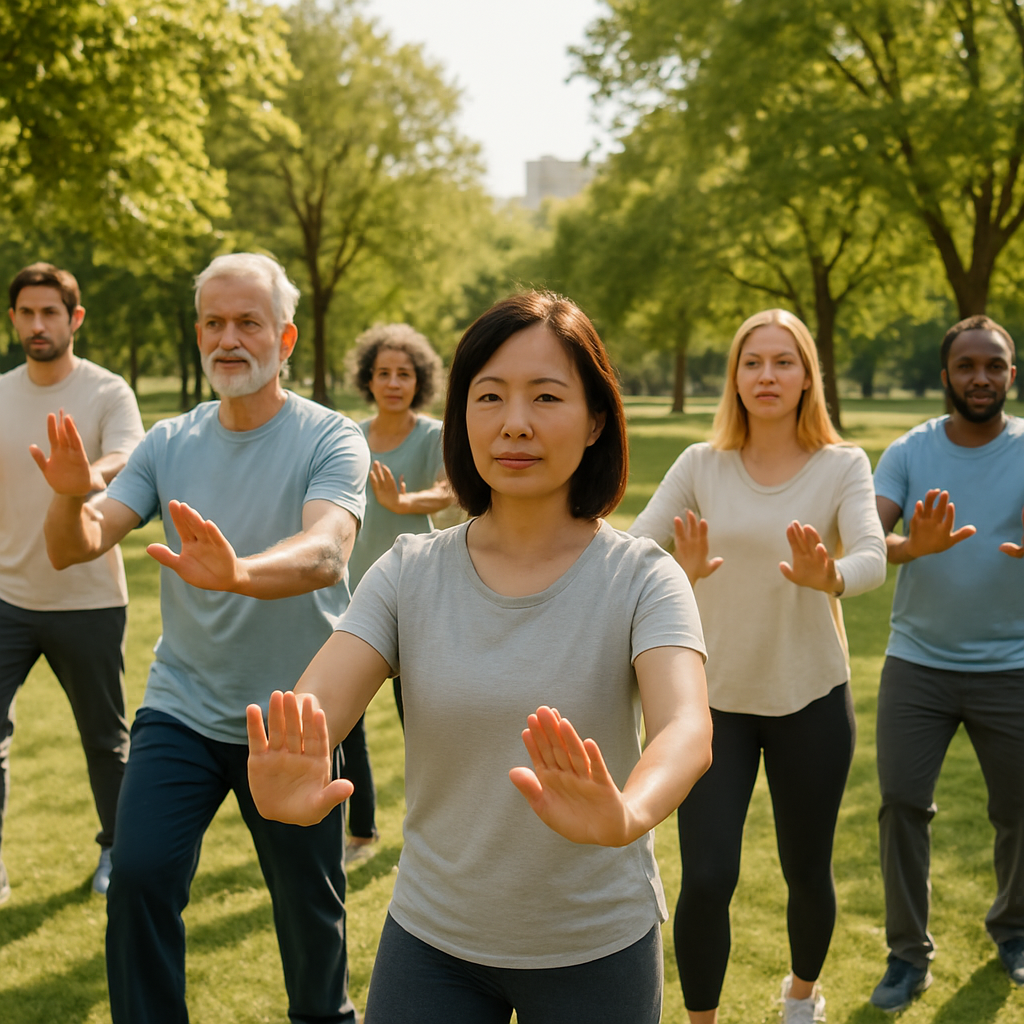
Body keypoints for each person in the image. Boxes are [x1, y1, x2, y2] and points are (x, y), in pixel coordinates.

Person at [247, 291, 713, 1024]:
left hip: (595, 942)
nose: (514, 422)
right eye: (489, 396)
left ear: (596, 420)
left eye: (546, 396)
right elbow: (318, 706)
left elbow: (685, 728)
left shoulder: (643, 577)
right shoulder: (407, 572)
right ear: (463, 416)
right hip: (432, 942)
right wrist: (290, 770)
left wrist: (629, 813)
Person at [35, 253, 368, 1023]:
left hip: (291, 719)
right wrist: (68, 497)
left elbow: (328, 552)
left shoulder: (330, 436)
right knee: (139, 879)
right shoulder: (167, 442)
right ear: (197, 335)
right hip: (181, 707)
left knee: (308, 916)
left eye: (249, 322)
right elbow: (74, 545)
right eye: (214, 323)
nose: (229, 339)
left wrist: (239, 573)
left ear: (285, 338)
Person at [630, 309, 887, 1024]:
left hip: (812, 698)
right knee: (708, 876)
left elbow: (873, 555)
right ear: (735, 378)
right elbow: (634, 550)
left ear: (807, 376)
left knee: (807, 869)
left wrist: (831, 575)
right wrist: (674, 570)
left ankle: (801, 998)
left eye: (783, 361)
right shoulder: (699, 465)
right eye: (752, 362)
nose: (766, 375)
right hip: (711, 706)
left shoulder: (843, 464)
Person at [868, 314, 1024, 1011]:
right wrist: (913, 547)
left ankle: (1015, 931)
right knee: (902, 804)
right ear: (946, 376)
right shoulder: (909, 451)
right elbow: (870, 542)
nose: (980, 377)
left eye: (993, 365)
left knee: (1019, 810)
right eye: (967, 365)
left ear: (1011, 374)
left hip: (1014, 664)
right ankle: (908, 956)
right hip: (919, 664)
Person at [0, 262, 144, 904]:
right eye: (27, 313)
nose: (38, 324)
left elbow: (128, 455)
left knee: (105, 741)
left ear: (74, 318)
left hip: (88, 600)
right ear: (13, 319)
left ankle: (115, 849)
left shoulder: (107, 391)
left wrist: (86, 476)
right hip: (7, 597)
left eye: (50, 312)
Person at [340, 323, 451, 859]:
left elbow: (449, 489)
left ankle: (436, 832)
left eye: (403, 374)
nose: (392, 383)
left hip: (415, 597)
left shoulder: (432, 435)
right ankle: (361, 831)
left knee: (423, 725)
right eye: (382, 373)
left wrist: (406, 503)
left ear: (419, 381)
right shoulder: (348, 435)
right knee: (347, 721)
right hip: (352, 598)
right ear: (368, 379)